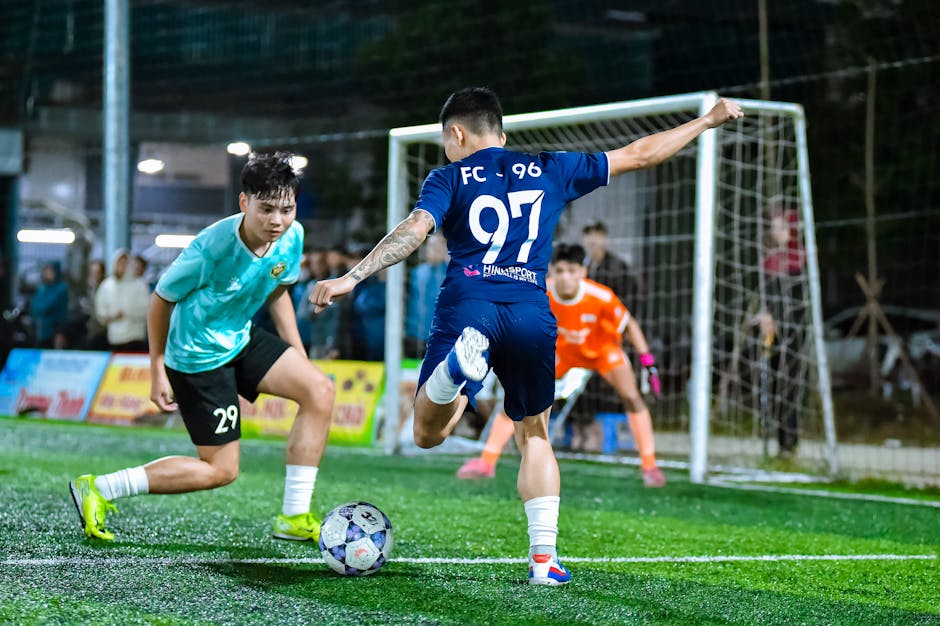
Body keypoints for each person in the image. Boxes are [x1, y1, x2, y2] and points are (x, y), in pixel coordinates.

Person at [311, 87, 743, 585]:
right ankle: (543, 560)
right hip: (531, 312)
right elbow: (640, 154)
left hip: (469, 304)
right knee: (534, 431)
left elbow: (415, 228)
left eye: (445, 141)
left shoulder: (448, 176)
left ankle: (455, 372)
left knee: (427, 434)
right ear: (502, 131)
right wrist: (706, 122)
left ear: (456, 134)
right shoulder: (550, 166)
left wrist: (353, 276)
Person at [69, 152, 335, 542]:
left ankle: (293, 517)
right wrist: (157, 368)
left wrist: (298, 354)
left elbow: (278, 290)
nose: (277, 220)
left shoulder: (291, 237)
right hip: (196, 357)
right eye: (266, 209)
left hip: (240, 337)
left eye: (286, 209)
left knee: (319, 390)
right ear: (244, 203)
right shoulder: (209, 249)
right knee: (220, 470)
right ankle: (101, 487)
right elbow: (161, 300)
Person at [457, 243, 666, 486]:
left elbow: (629, 324)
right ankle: (486, 461)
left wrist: (647, 361)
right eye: (560, 271)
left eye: (572, 271)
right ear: (551, 272)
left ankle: (649, 466)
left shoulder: (601, 297)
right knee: (519, 395)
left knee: (631, 396)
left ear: (582, 272)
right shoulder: (541, 294)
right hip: (562, 354)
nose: (566, 277)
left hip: (602, 350)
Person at [752, 197, 807, 458]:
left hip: (795, 331)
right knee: (773, 383)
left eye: (781, 226)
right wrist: (765, 316)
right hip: (773, 331)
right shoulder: (770, 263)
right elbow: (767, 298)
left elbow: (801, 303)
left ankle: (790, 442)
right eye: (774, 227)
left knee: (792, 384)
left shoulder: (801, 262)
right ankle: (778, 440)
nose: (777, 232)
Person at [95, 249, 150, 352]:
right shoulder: (106, 286)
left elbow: (146, 310)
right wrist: (112, 316)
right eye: (119, 263)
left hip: (135, 339)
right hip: (114, 339)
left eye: (125, 263)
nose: (122, 266)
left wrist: (126, 313)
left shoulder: (139, 285)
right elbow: (101, 312)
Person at [404, 232, 448, 358]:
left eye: (439, 246)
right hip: (415, 337)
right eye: (431, 246)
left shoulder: (451, 274)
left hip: (440, 337)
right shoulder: (416, 273)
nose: (434, 250)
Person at [30, 261, 69, 349]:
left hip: (54, 330)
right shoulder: (42, 288)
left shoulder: (61, 288)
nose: (48, 273)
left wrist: (61, 332)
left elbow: (51, 306)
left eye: (51, 271)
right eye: (46, 271)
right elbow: (34, 307)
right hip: (39, 329)